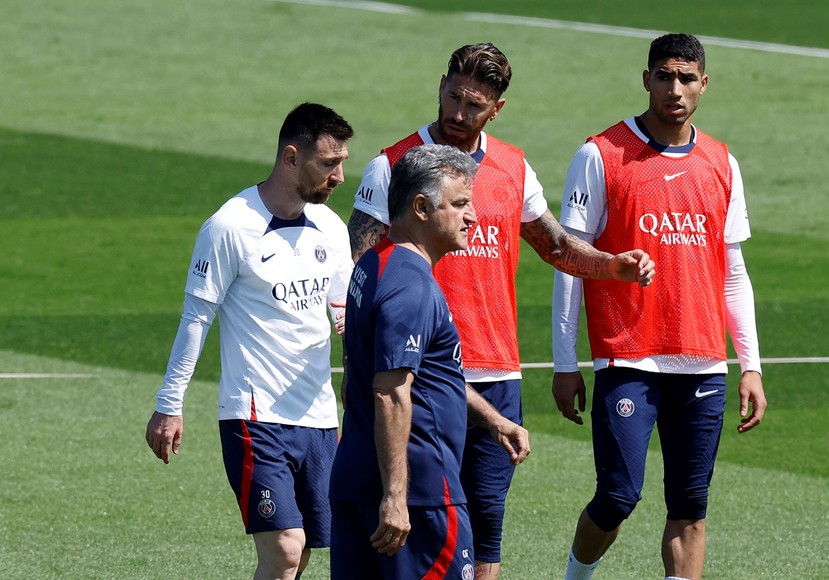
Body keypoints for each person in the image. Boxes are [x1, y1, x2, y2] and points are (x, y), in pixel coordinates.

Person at [347, 42, 655, 580]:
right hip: (421, 374)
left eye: (474, 105)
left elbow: (556, 246)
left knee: (486, 531)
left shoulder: (513, 167)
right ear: (440, 84)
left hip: (497, 375)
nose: (459, 114)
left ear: (497, 108)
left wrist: (612, 266)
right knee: (411, 526)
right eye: (453, 97)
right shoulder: (392, 166)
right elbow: (358, 268)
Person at [551, 34, 768, 580]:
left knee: (691, 508)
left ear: (703, 84)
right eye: (664, 76)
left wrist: (752, 365)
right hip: (627, 357)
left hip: (702, 361)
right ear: (646, 78)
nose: (675, 88)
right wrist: (563, 362)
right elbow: (570, 261)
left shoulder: (722, 162)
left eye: (686, 77)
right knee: (619, 495)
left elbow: (733, 272)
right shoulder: (600, 154)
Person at [145, 102, 355, 580]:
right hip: (255, 416)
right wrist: (169, 403)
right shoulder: (229, 226)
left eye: (342, 162)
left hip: (319, 417)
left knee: (299, 555)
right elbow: (197, 317)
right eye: (328, 163)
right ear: (290, 158)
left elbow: (343, 314)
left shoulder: (331, 228)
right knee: (285, 549)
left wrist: (363, 375)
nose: (340, 176)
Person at [330, 144, 532, 580]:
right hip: (419, 497)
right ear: (421, 207)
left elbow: (424, 375)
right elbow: (391, 393)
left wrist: (493, 420)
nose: (472, 216)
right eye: (459, 204)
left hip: (356, 480)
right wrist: (396, 497)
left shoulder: (373, 266)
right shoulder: (411, 287)